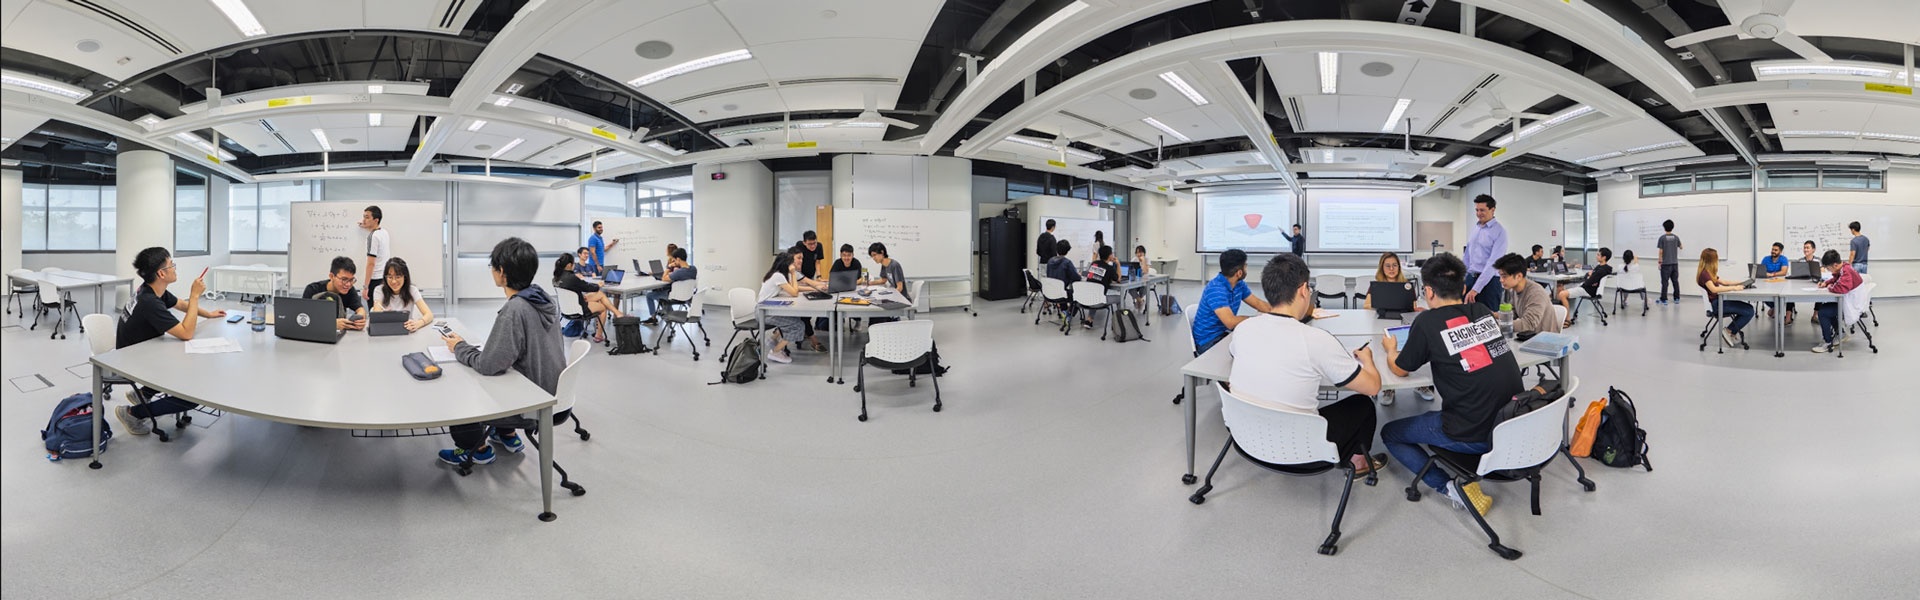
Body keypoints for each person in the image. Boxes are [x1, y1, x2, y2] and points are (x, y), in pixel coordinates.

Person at [1381, 252, 1523, 516]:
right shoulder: (1481, 311)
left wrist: (1390, 349)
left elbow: (1400, 369)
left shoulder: (1426, 322)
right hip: (1511, 423)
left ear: (1429, 292)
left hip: (1473, 433)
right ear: (1465, 288)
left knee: (1390, 433)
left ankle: (1450, 488)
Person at [1229, 253, 1386, 477]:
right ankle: (1359, 464)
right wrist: (1368, 360)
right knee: (1363, 405)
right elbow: (1372, 387)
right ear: (1303, 290)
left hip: (1245, 438)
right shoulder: (1316, 339)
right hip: (1301, 452)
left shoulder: (1244, 329)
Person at [435, 237, 564, 466]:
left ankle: (476, 449)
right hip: (553, 394)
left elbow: (488, 365)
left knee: (459, 385)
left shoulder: (515, 309)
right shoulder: (543, 299)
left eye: (492, 267)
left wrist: (459, 347)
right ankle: (506, 434)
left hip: (529, 403)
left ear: (501, 272)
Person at [113, 247, 228, 436]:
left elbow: (181, 304)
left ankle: (143, 394)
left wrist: (209, 313)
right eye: (172, 265)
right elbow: (186, 333)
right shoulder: (149, 302)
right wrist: (195, 295)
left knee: (186, 361)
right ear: (161, 273)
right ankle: (132, 413)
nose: (175, 268)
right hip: (132, 360)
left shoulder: (152, 289)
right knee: (192, 396)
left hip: (139, 350)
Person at [1191, 249, 1271, 356]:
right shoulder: (1216, 289)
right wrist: (1256, 319)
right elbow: (1230, 322)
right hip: (1208, 341)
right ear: (1239, 273)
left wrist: (1279, 312)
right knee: (1252, 352)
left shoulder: (1239, 284)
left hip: (1224, 334)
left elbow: (1258, 303)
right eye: (1245, 265)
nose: (1246, 268)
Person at [759, 250, 827, 363]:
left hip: (767, 309)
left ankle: (773, 340)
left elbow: (792, 289)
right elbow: (794, 292)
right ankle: (775, 352)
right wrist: (793, 273)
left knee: (794, 319)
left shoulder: (775, 274)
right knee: (798, 326)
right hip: (764, 312)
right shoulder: (778, 276)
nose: (793, 265)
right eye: (791, 263)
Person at [552, 252, 624, 343]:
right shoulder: (572, 278)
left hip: (566, 308)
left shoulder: (555, 278)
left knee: (600, 295)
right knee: (602, 308)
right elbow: (588, 287)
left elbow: (571, 291)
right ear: (569, 265)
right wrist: (598, 285)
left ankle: (617, 313)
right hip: (578, 308)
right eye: (573, 263)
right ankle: (598, 335)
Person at [1697, 248, 1754, 348]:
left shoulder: (1708, 272)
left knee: (1748, 308)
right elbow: (1714, 289)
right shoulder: (1704, 274)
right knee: (1749, 311)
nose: (1718, 260)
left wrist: (1740, 283)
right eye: (1716, 258)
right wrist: (1734, 288)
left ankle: (1731, 331)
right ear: (1712, 260)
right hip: (1716, 305)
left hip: (1719, 301)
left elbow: (1724, 282)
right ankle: (1729, 331)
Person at [1493, 253, 1560, 337]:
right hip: (1527, 337)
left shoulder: (1536, 293)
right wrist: (1494, 315)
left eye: (1504, 276)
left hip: (1544, 340)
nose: (1501, 280)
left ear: (1519, 276)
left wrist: (1496, 326)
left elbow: (1528, 324)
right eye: (1500, 276)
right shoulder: (1513, 289)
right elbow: (1513, 313)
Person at [1810, 249, 1864, 353]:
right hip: (1848, 301)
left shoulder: (1846, 271)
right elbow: (1837, 279)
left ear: (1834, 265)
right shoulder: (1844, 268)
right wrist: (1826, 283)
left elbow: (1842, 288)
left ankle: (1827, 342)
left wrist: (1830, 287)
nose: (1828, 270)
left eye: (1828, 268)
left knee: (1823, 312)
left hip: (1852, 305)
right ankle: (1841, 334)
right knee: (1826, 308)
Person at [1461, 194, 1508, 313]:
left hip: (1490, 283)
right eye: (1476, 210)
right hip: (1471, 278)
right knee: (1467, 316)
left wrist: (1477, 289)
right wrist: (1461, 279)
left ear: (1492, 210)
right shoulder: (1475, 228)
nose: (1478, 213)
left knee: (1488, 320)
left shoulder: (1499, 232)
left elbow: (1493, 263)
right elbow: (1467, 256)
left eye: (1482, 210)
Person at [302, 256, 367, 331]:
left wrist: (360, 319)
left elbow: (360, 309)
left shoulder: (350, 290)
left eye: (351, 280)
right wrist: (331, 324)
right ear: (331, 276)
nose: (348, 284)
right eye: (344, 279)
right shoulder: (312, 290)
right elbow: (303, 318)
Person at [371, 257, 433, 331]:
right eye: (390, 277)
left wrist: (418, 323)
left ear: (405, 277)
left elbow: (429, 314)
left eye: (398, 277)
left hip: (407, 330)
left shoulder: (412, 290)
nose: (394, 281)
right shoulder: (379, 290)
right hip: (387, 331)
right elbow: (377, 316)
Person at [1557, 247, 1614, 327]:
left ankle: (1567, 319)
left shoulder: (1601, 270)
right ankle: (1559, 311)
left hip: (1587, 290)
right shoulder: (1602, 268)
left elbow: (1588, 282)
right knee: (1560, 286)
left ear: (1604, 257)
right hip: (1587, 287)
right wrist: (1589, 276)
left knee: (1562, 294)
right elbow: (1589, 277)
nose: (1596, 256)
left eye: (1598, 255)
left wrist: (1588, 277)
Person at [641, 247, 696, 325]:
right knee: (661, 293)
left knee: (649, 295)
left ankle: (653, 318)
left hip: (675, 297)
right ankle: (668, 313)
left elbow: (663, 278)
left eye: (674, 260)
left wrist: (669, 267)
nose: (673, 261)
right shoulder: (693, 269)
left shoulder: (678, 272)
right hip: (688, 295)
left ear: (678, 259)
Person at [362, 205, 390, 302]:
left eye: (367, 217)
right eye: (364, 217)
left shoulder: (373, 237)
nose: (364, 220)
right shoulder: (384, 232)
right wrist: (365, 226)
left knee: (374, 312)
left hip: (375, 280)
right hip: (384, 278)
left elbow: (371, 263)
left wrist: (366, 287)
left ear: (376, 220)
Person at [1656, 219, 1683, 305]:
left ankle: (1664, 299)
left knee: (1665, 282)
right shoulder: (1676, 237)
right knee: (1675, 281)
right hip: (1675, 263)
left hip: (1666, 264)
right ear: (1672, 227)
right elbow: (1681, 246)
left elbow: (1661, 251)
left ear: (1664, 228)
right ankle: (1677, 298)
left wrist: (1660, 262)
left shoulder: (1662, 238)